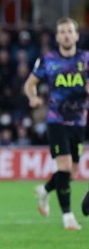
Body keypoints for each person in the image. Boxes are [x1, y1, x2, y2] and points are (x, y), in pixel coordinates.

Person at [24, 17, 88, 230]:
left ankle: (45, 190)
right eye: (62, 32)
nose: (66, 35)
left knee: (71, 172)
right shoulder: (48, 60)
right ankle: (68, 216)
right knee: (65, 166)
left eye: (70, 31)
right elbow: (30, 84)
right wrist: (33, 97)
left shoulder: (86, 59)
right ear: (57, 36)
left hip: (79, 121)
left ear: (77, 35)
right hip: (56, 120)